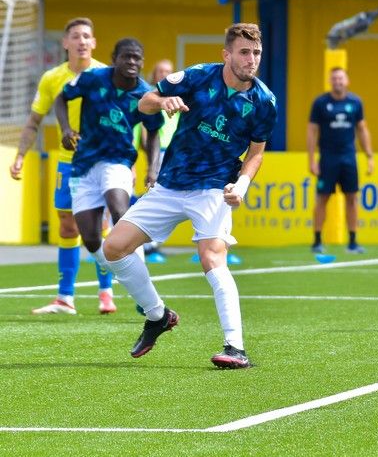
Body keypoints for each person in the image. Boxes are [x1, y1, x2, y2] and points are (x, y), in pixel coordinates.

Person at [97, 23, 277, 369]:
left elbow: (256, 153)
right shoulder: (198, 76)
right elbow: (145, 102)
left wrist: (241, 186)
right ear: (226, 54)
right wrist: (163, 100)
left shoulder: (264, 101)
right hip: (170, 183)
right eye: (244, 52)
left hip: (214, 187)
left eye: (256, 53)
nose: (251, 59)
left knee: (211, 257)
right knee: (113, 248)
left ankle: (235, 347)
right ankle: (157, 315)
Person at [8, 17, 117, 315]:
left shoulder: (106, 75)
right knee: (67, 227)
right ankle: (65, 297)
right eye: (76, 36)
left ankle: (106, 292)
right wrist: (19, 156)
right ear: (65, 43)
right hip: (66, 164)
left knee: (101, 226)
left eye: (87, 36)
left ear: (93, 43)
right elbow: (33, 122)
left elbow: (121, 122)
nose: (82, 41)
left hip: (99, 163)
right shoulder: (52, 78)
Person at [55, 38, 163, 288]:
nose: (132, 62)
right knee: (91, 239)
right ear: (114, 59)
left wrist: (153, 168)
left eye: (137, 57)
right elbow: (61, 98)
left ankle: (142, 281)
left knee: (119, 211)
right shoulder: (92, 78)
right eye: (127, 56)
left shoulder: (145, 95)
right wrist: (65, 129)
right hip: (84, 164)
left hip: (119, 161)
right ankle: (131, 279)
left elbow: (154, 131)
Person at [307, 67, 374, 255]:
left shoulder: (355, 102)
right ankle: (317, 240)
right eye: (334, 78)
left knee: (352, 198)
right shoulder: (320, 103)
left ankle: (353, 241)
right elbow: (312, 131)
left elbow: (362, 129)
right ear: (330, 81)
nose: (338, 81)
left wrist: (369, 155)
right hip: (328, 158)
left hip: (348, 157)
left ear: (347, 80)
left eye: (341, 78)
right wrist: (312, 159)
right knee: (322, 198)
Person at [137, 59, 178, 264]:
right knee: (156, 196)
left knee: (168, 198)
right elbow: (146, 128)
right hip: (158, 153)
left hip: (175, 154)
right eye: (161, 71)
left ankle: (151, 243)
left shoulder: (179, 97)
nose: (165, 75)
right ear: (154, 75)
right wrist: (147, 154)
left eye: (169, 71)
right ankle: (147, 244)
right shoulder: (151, 98)